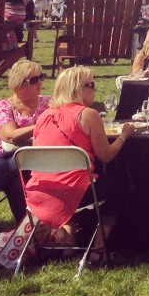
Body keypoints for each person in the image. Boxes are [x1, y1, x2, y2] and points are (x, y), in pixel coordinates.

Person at [27, 66, 135, 250]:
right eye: (90, 84)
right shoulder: (88, 115)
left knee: (75, 180)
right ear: (76, 88)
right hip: (77, 193)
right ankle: (98, 248)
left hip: (40, 192)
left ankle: (68, 242)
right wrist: (124, 135)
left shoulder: (43, 116)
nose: (95, 89)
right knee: (119, 186)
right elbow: (106, 156)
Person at [0, 59, 51, 221]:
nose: (39, 82)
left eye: (41, 77)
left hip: (38, 160)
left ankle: (27, 232)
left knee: (16, 171)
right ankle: (28, 231)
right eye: (33, 80)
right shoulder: (4, 107)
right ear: (18, 84)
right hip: (0, 157)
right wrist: (41, 124)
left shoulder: (48, 103)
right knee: (14, 165)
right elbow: (10, 136)